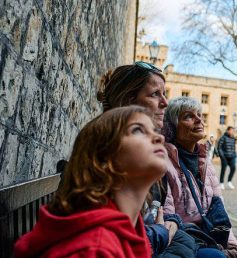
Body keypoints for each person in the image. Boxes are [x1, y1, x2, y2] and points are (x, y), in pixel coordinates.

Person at [14, 106, 166, 257]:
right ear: (103, 157)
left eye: (155, 131)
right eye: (138, 130)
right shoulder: (93, 249)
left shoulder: (131, 227)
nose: (160, 138)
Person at [97, 61, 205, 257]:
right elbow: (115, 239)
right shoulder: (107, 155)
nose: (165, 102)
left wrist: (171, 224)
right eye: (156, 94)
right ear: (129, 100)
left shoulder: (149, 153)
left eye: (165, 94)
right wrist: (164, 231)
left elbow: (166, 209)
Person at [162, 97, 237, 258]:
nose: (199, 120)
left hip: (209, 239)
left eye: (199, 114)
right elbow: (168, 217)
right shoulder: (164, 162)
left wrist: (232, 246)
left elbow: (218, 210)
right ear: (173, 127)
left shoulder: (205, 163)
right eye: (188, 116)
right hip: (183, 243)